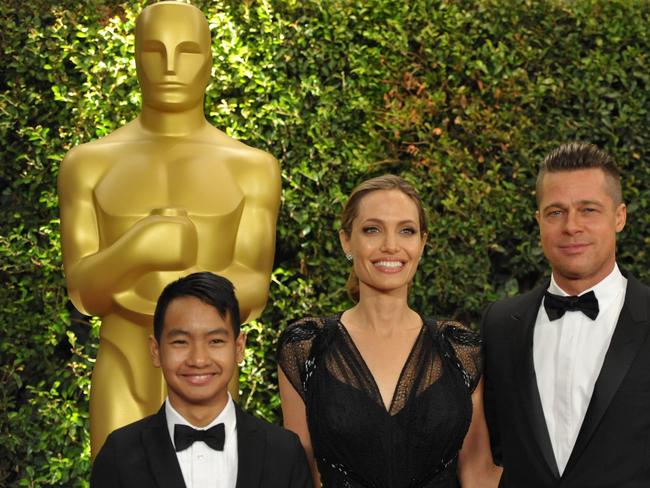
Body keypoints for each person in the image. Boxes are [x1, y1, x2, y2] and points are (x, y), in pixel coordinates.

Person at [57, 1, 281, 455]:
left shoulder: (253, 168)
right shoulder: (89, 164)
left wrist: (183, 275)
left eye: (188, 51)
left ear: (210, 59)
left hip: (208, 369)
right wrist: (137, 249)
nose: (172, 67)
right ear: (136, 56)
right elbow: (82, 291)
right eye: (156, 50)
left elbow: (254, 289)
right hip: (123, 361)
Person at [277, 175, 501, 487]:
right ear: (346, 240)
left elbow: (478, 475)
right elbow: (301, 476)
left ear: (422, 244)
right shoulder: (306, 346)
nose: (391, 246)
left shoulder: (460, 349)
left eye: (406, 231)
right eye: (372, 229)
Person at [482, 142, 650, 487]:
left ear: (619, 217)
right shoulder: (499, 325)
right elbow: (497, 446)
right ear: (539, 221)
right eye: (556, 212)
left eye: (588, 210)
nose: (571, 226)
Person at [91, 272, 312, 488]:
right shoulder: (119, 454)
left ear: (239, 347)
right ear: (156, 350)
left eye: (215, 341)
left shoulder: (284, 452)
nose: (198, 359)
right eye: (180, 342)